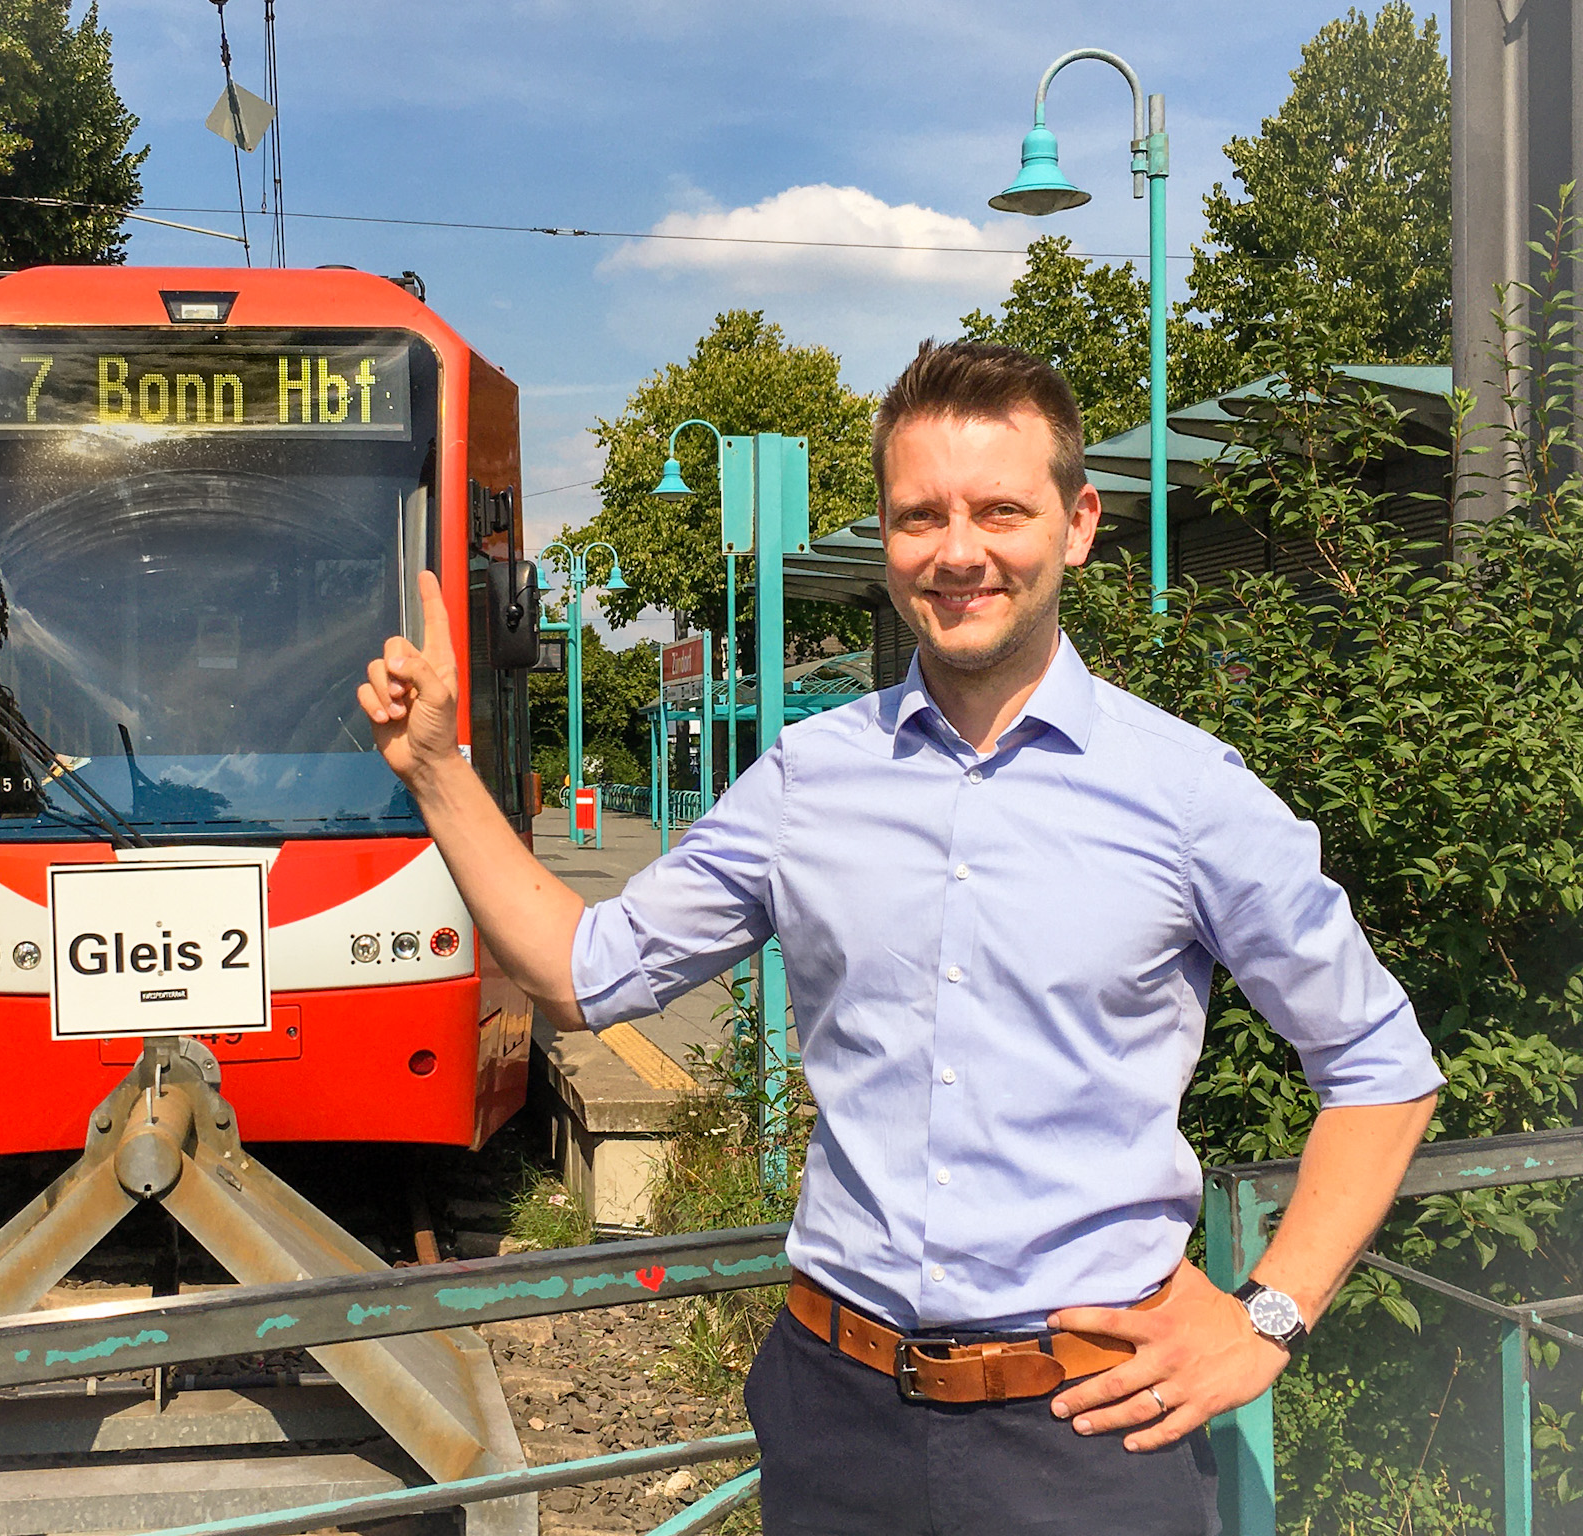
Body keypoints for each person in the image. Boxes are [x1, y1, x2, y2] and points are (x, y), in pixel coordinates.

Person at [357, 340, 1441, 1533]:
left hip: (1090, 1429)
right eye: (920, 515)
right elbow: (579, 973)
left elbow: (1378, 1068)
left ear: (1076, 524)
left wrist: (1264, 1317)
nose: (959, 549)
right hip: (837, 1416)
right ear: (885, 540)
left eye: (999, 509)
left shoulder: (1190, 795)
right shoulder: (807, 781)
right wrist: (437, 768)